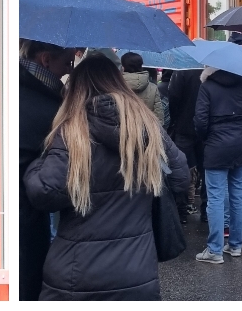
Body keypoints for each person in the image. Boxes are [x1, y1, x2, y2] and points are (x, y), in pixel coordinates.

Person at [22, 54, 189, 299]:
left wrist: (36, 164)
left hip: (75, 275)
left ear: (77, 89)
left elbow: (45, 192)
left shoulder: (72, 131)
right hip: (136, 271)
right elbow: (180, 177)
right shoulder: (148, 128)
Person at [20, 40, 76, 300]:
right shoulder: (47, 108)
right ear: (45, 60)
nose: (69, 70)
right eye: (66, 62)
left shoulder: (8, 86)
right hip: (26, 217)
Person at [193, 63, 242, 263]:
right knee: (239, 194)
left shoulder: (207, 87)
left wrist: (206, 138)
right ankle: (236, 245)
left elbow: (201, 121)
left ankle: (215, 250)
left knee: (216, 198)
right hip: (241, 144)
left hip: (216, 146)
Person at [166, 66, 204, 219]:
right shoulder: (209, 71)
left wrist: (175, 120)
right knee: (207, 169)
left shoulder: (182, 71)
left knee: (182, 168)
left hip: (183, 126)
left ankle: (181, 208)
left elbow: (173, 97)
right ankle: (207, 209)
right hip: (204, 129)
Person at [121, 51, 165, 124]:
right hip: (147, 129)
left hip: (122, 130)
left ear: (123, 67)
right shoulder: (153, 88)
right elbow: (158, 115)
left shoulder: (116, 86)